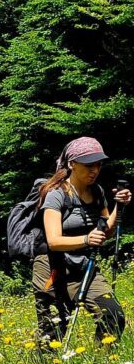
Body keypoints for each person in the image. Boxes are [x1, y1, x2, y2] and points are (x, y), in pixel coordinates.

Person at [33, 137, 131, 347]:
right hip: (52, 269)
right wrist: (86, 239)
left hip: (83, 265)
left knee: (112, 314)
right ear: (72, 164)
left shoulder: (97, 192)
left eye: (98, 165)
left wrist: (118, 206)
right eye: (88, 165)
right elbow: (54, 241)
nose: (94, 170)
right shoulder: (55, 194)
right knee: (52, 334)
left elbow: (106, 231)